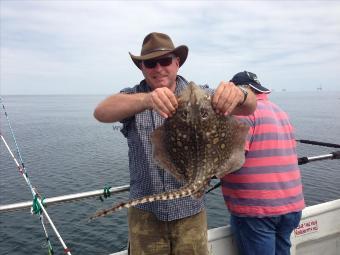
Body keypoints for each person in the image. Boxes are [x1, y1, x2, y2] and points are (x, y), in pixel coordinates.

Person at [93, 32, 256, 255]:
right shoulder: (132, 97)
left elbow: (250, 106)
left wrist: (240, 93)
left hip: (191, 212)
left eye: (166, 61)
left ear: (177, 63)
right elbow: (101, 112)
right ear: (142, 68)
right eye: (150, 63)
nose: (159, 68)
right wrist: (147, 100)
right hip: (145, 214)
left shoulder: (203, 95)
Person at [220, 71, 305, 255]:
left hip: (258, 209)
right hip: (292, 205)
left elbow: (232, 160)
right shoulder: (279, 111)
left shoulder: (242, 114)